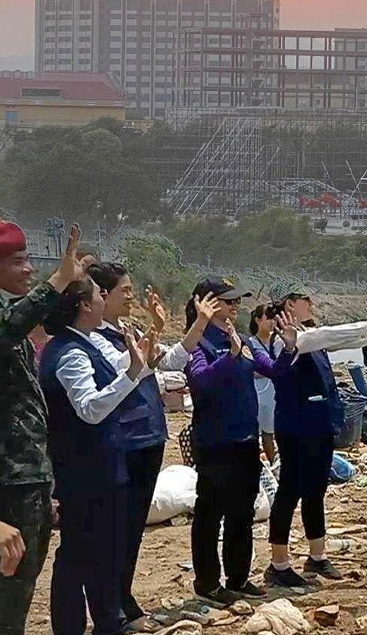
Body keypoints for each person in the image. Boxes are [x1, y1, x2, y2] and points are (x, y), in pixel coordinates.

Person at [88, 262, 211, 630]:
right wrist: (152, 335)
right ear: (101, 295)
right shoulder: (92, 339)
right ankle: (111, 609)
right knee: (117, 528)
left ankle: (124, 598)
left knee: (133, 527)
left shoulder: (130, 330)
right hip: (123, 441)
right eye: (124, 290)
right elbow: (132, 368)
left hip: (149, 438)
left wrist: (195, 325)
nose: (131, 295)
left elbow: (166, 361)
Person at [0, 221, 90, 635]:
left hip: (24, 485)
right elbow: (5, 329)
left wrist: (43, 487)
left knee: (16, 599)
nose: (28, 268)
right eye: (17, 261)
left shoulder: (2, 315)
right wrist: (58, 282)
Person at [38, 274, 156, 635]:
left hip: (100, 464)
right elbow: (89, 408)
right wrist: (131, 374)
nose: (104, 298)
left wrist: (140, 361)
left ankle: (108, 621)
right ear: (85, 306)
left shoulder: (84, 341)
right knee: (79, 556)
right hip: (84, 469)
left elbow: (126, 369)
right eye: (98, 294)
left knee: (102, 552)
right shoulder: (70, 352)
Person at [265, 292, 367, 585]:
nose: (311, 307)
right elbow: (330, 335)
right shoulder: (286, 339)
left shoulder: (308, 336)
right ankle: (279, 562)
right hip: (295, 426)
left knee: (316, 490)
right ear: (290, 306)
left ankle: (316, 556)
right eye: (306, 303)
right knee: (290, 490)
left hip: (319, 423)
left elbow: (343, 341)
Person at [185, 276, 294, 605]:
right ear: (207, 303)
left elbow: (274, 370)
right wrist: (230, 357)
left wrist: (288, 347)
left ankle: (238, 577)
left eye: (237, 301)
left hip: (245, 441)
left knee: (241, 513)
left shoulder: (243, 338)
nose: (235, 305)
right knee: (210, 514)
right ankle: (207, 582)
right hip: (216, 442)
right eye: (228, 300)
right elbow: (201, 383)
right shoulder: (198, 341)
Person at [246, 303, 281, 462]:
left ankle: (274, 463)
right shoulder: (250, 343)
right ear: (258, 320)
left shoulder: (279, 341)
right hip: (257, 392)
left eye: (274, 318)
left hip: (275, 392)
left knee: (272, 432)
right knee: (256, 431)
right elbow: (247, 368)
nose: (272, 322)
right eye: (268, 318)